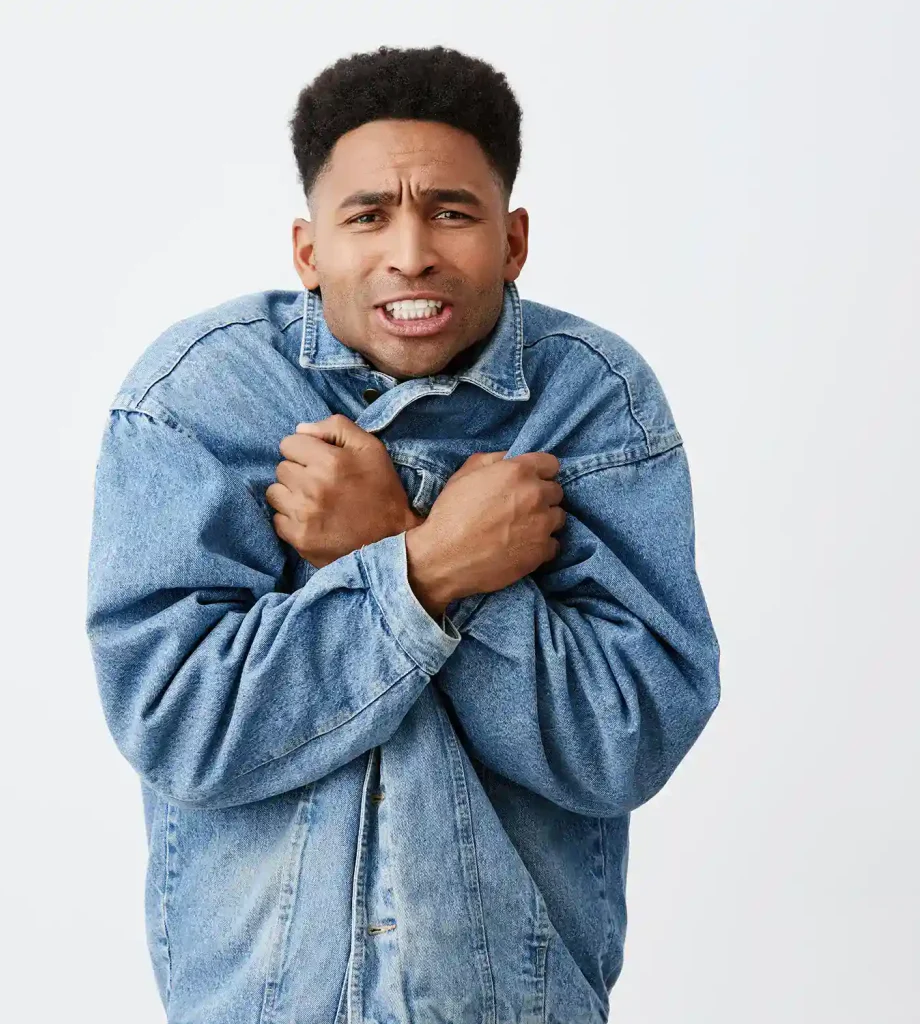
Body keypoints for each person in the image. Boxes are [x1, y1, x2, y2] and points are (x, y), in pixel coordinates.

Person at [85, 44, 721, 1024]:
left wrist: (388, 538)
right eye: (369, 215)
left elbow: (624, 741)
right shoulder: (201, 397)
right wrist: (429, 565)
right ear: (308, 250)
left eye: (452, 212)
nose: (412, 252)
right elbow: (182, 726)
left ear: (513, 240)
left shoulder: (597, 402)